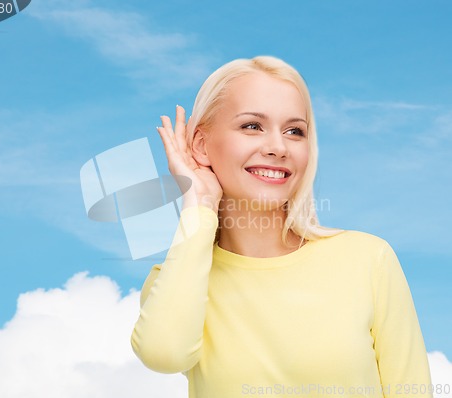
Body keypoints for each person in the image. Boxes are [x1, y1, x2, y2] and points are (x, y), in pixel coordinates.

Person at [130, 56, 432, 398]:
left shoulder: (368, 259)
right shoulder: (176, 278)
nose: (277, 148)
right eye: (252, 126)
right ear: (200, 144)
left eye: (294, 131)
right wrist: (199, 204)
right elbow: (163, 355)